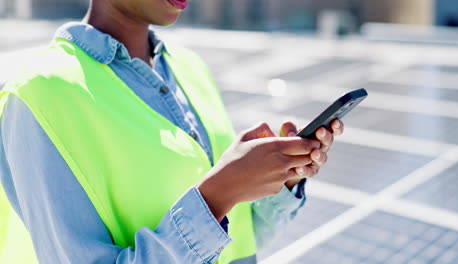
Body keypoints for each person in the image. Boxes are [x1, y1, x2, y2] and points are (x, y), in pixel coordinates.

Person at [0, 0, 344, 263]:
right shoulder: (38, 95)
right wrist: (219, 194)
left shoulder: (190, 67)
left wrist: (280, 178)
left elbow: (236, 242)